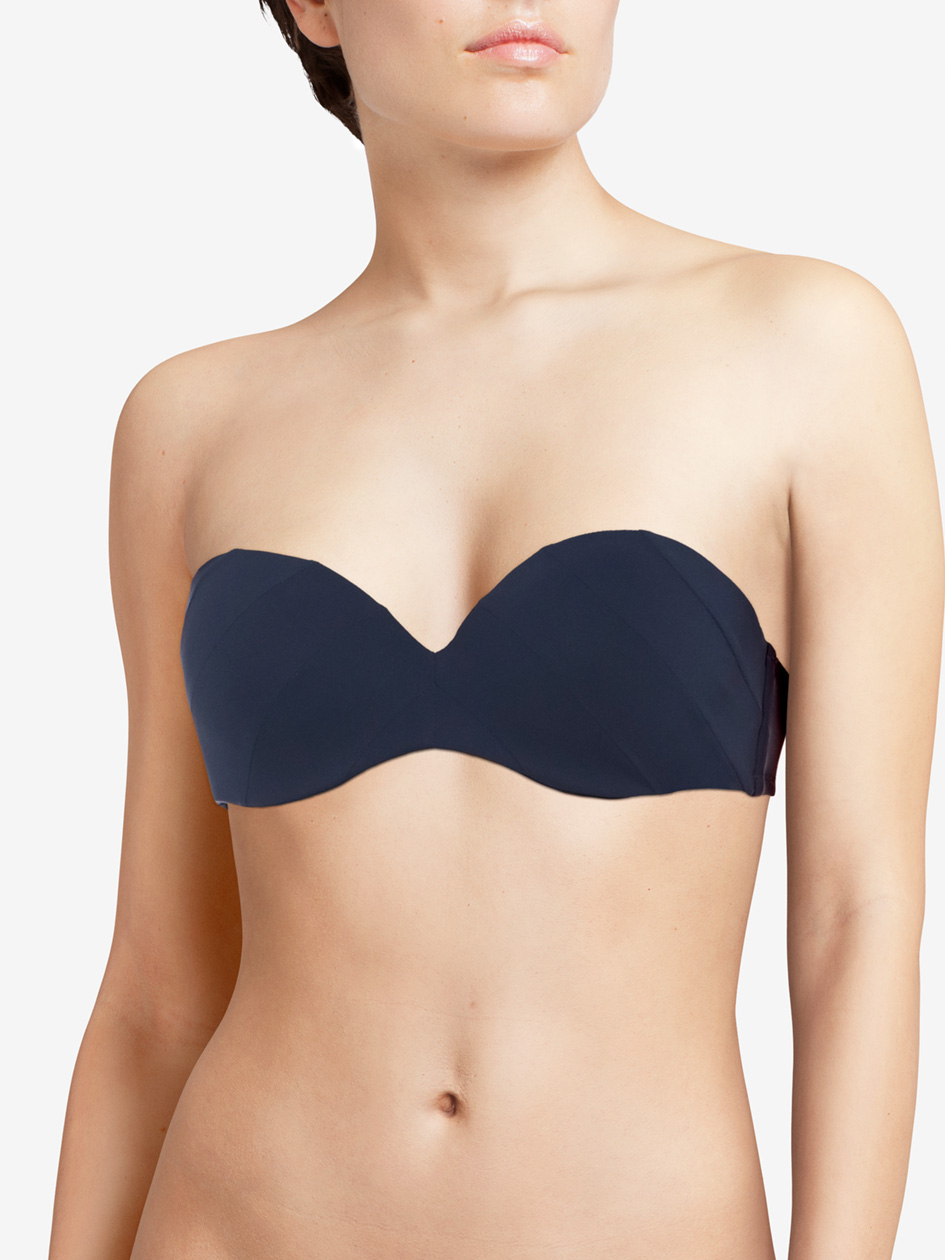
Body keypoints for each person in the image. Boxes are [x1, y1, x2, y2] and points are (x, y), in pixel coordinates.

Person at [48, 2, 943, 1258]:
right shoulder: (189, 423)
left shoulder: (807, 346)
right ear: (313, 6)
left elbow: (858, 914)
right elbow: (157, 986)